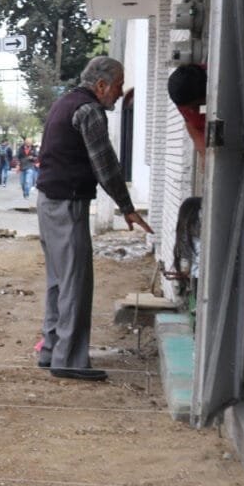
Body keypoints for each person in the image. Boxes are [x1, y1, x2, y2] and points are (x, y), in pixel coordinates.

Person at [35, 56, 153, 381]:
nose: (120, 93)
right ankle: (69, 361)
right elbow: (106, 166)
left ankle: (52, 351)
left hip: (49, 201)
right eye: (118, 86)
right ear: (101, 85)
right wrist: (126, 206)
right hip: (67, 203)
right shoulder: (89, 110)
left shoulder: (65, 103)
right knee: (75, 283)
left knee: (59, 281)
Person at [167, 63, 207, 154]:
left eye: (196, 106)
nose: (192, 111)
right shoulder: (182, 97)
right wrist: (204, 153)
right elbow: (190, 124)